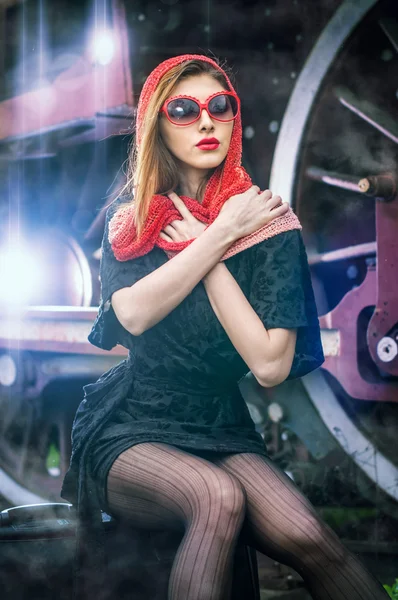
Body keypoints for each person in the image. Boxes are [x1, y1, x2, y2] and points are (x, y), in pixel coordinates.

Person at [61, 54, 389, 600]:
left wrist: (216, 241)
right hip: (132, 424)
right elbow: (132, 315)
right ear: (157, 127)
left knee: (309, 535)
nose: (207, 121)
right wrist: (214, 237)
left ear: (235, 119)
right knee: (215, 497)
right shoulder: (134, 218)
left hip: (220, 424)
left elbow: (268, 364)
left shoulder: (267, 224)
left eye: (221, 106)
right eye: (184, 110)